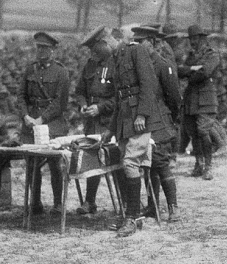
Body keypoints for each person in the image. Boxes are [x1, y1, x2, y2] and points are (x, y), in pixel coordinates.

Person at [102, 27, 168, 237]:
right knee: (127, 164)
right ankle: (131, 215)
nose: (105, 48)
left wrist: (142, 115)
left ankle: (133, 217)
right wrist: (110, 130)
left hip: (138, 120)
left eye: (106, 43)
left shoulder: (136, 51)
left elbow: (149, 84)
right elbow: (119, 98)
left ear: (118, 38)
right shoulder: (117, 57)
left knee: (130, 163)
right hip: (124, 121)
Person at [133, 25, 182, 222]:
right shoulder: (137, 64)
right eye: (135, 42)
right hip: (143, 120)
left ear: (152, 43)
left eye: (141, 41)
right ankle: (153, 206)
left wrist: (170, 119)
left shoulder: (162, 65)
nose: (137, 45)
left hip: (159, 119)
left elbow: (174, 97)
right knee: (147, 164)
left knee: (160, 163)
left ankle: (173, 207)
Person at [18, 32, 70, 214]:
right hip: (31, 122)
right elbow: (21, 96)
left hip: (52, 124)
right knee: (32, 164)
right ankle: (36, 203)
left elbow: (60, 103)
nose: (41, 51)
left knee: (55, 164)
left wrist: (42, 119)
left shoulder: (61, 72)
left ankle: (57, 203)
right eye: (39, 47)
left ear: (53, 50)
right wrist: (26, 116)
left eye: (45, 48)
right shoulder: (29, 70)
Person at [74, 25, 116, 215]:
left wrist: (100, 108)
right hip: (91, 123)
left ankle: (125, 204)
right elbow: (80, 91)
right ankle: (90, 201)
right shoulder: (90, 65)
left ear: (104, 44)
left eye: (95, 49)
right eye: (91, 50)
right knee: (91, 160)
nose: (93, 53)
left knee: (116, 161)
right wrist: (83, 105)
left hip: (110, 122)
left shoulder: (116, 64)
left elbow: (120, 98)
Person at [177, 25, 221, 181]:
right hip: (191, 99)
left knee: (203, 132)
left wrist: (189, 71)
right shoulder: (190, 55)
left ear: (203, 39)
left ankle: (208, 166)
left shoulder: (212, 54)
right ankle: (199, 163)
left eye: (195, 39)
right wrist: (193, 69)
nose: (192, 42)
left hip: (206, 99)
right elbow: (179, 71)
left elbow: (205, 72)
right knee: (193, 132)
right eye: (191, 39)